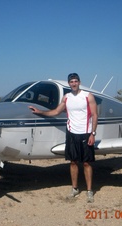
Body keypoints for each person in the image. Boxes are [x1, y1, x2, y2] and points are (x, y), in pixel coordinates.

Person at [29, 73, 98, 203]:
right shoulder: (66, 98)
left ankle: (89, 191)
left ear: (79, 82)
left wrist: (92, 134)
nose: (73, 83)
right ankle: (75, 188)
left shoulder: (88, 96)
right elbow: (56, 111)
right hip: (71, 133)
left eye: (76, 81)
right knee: (73, 162)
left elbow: (94, 115)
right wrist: (40, 112)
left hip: (85, 133)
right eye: (71, 81)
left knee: (87, 163)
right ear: (69, 83)